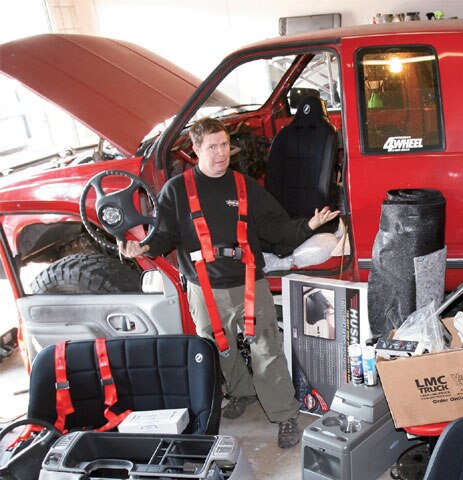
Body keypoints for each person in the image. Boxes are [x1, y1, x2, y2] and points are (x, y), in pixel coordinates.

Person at [119, 117, 340, 449]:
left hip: (248, 282)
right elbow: (164, 235)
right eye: (213, 147)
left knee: (267, 350)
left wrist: (309, 225)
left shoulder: (244, 186)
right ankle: (242, 392)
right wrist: (145, 246)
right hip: (203, 286)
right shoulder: (177, 191)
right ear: (195, 150)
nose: (221, 153)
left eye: (225, 145)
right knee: (219, 349)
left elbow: (277, 229)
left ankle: (285, 414)